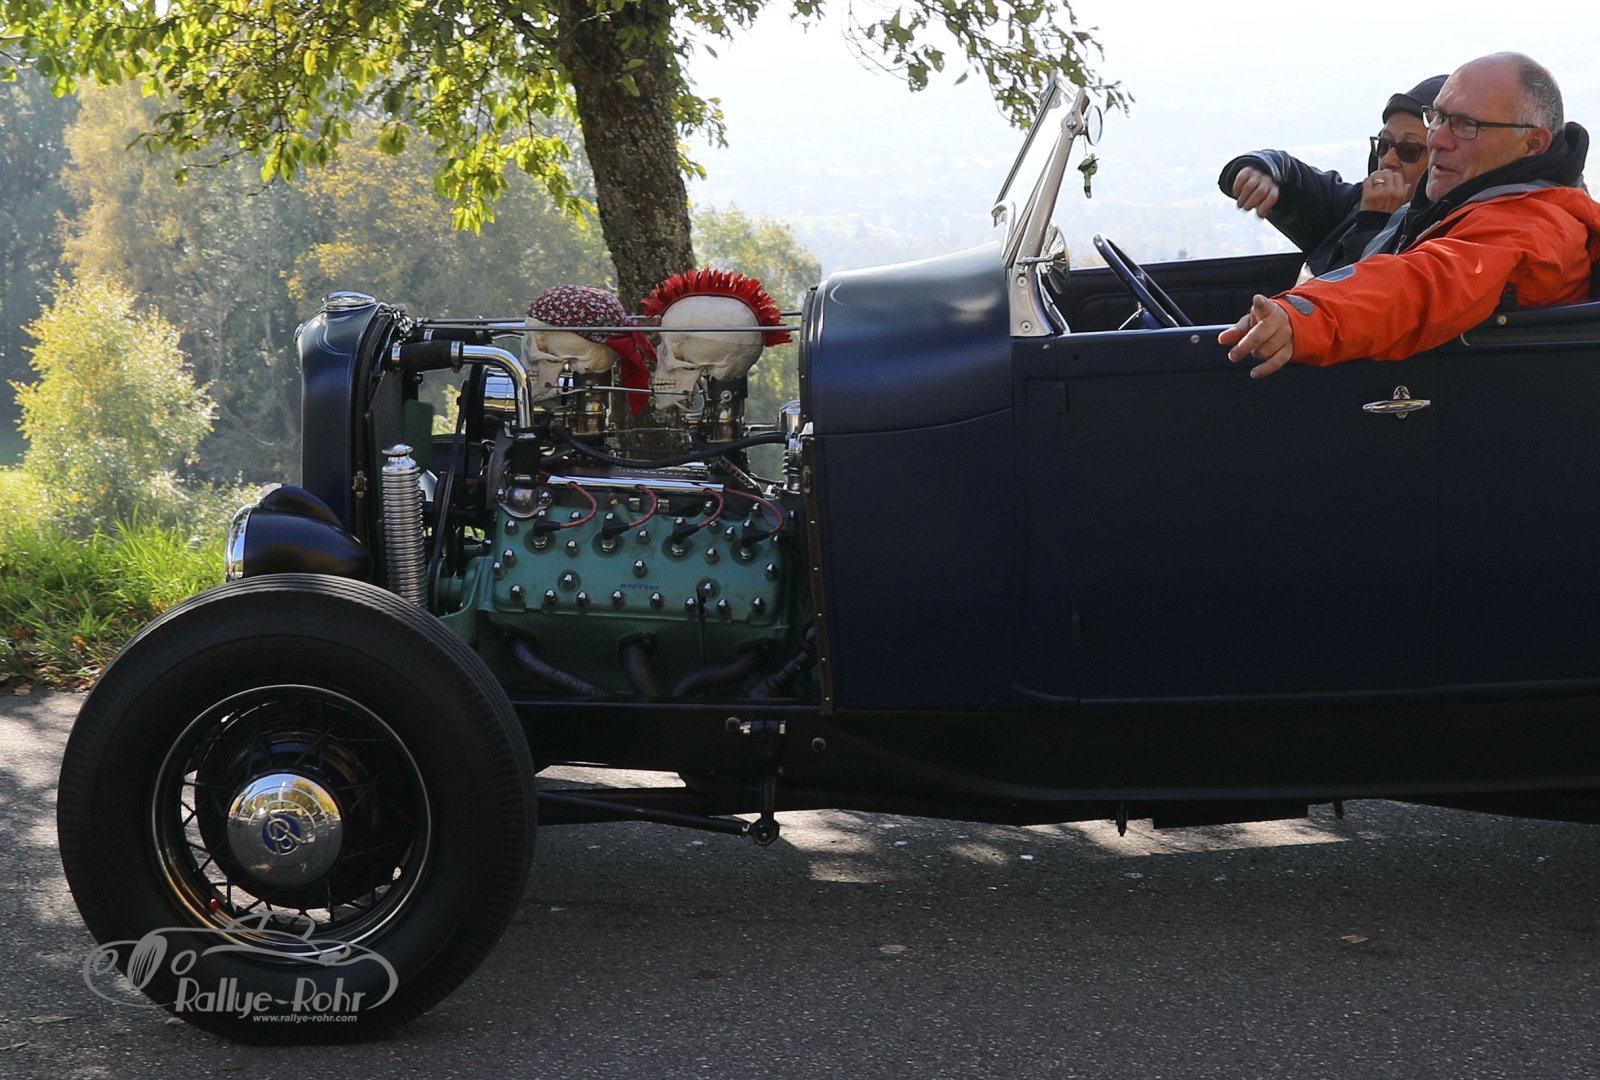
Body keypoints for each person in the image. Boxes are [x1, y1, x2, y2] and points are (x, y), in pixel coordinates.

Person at [1221, 52, 1600, 378]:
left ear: (1533, 143)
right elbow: (1310, 191)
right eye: (1438, 117)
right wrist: (1263, 169)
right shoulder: (1453, 204)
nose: (1438, 140)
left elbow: (1419, 285)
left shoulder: (1531, 226)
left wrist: (1303, 316)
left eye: (1466, 126)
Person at [1219, 75, 1446, 276]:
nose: (1387, 160)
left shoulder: (1438, 241)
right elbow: (1294, 177)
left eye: (1409, 151)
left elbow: (1367, 294)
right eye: (1384, 144)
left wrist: (1374, 223)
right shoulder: (1354, 203)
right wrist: (1261, 170)